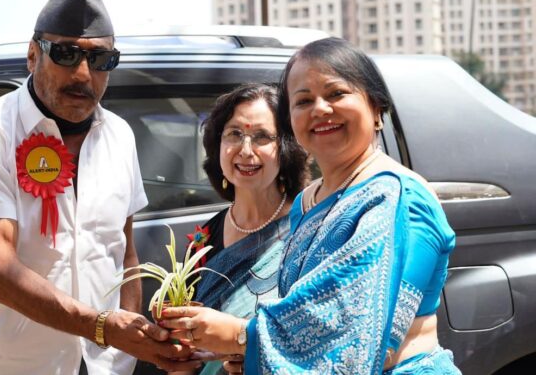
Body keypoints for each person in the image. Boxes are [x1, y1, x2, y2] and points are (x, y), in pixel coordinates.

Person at [160, 37, 461, 374]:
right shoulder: (308, 200)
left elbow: (359, 333)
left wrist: (242, 338)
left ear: (376, 107)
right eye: (303, 101)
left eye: (336, 94)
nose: (320, 109)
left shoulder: (396, 196)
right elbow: (299, 309)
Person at [0, 0, 195, 375]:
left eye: (100, 60)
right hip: (20, 366)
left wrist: (126, 344)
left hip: (107, 365)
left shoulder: (119, 135)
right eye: (65, 54)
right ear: (32, 55)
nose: (83, 73)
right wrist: (102, 327)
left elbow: (125, 253)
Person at [176, 83, 306, 375]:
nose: (246, 151)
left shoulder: (307, 230)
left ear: (286, 147)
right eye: (235, 134)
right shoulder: (203, 240)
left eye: (261, 137)